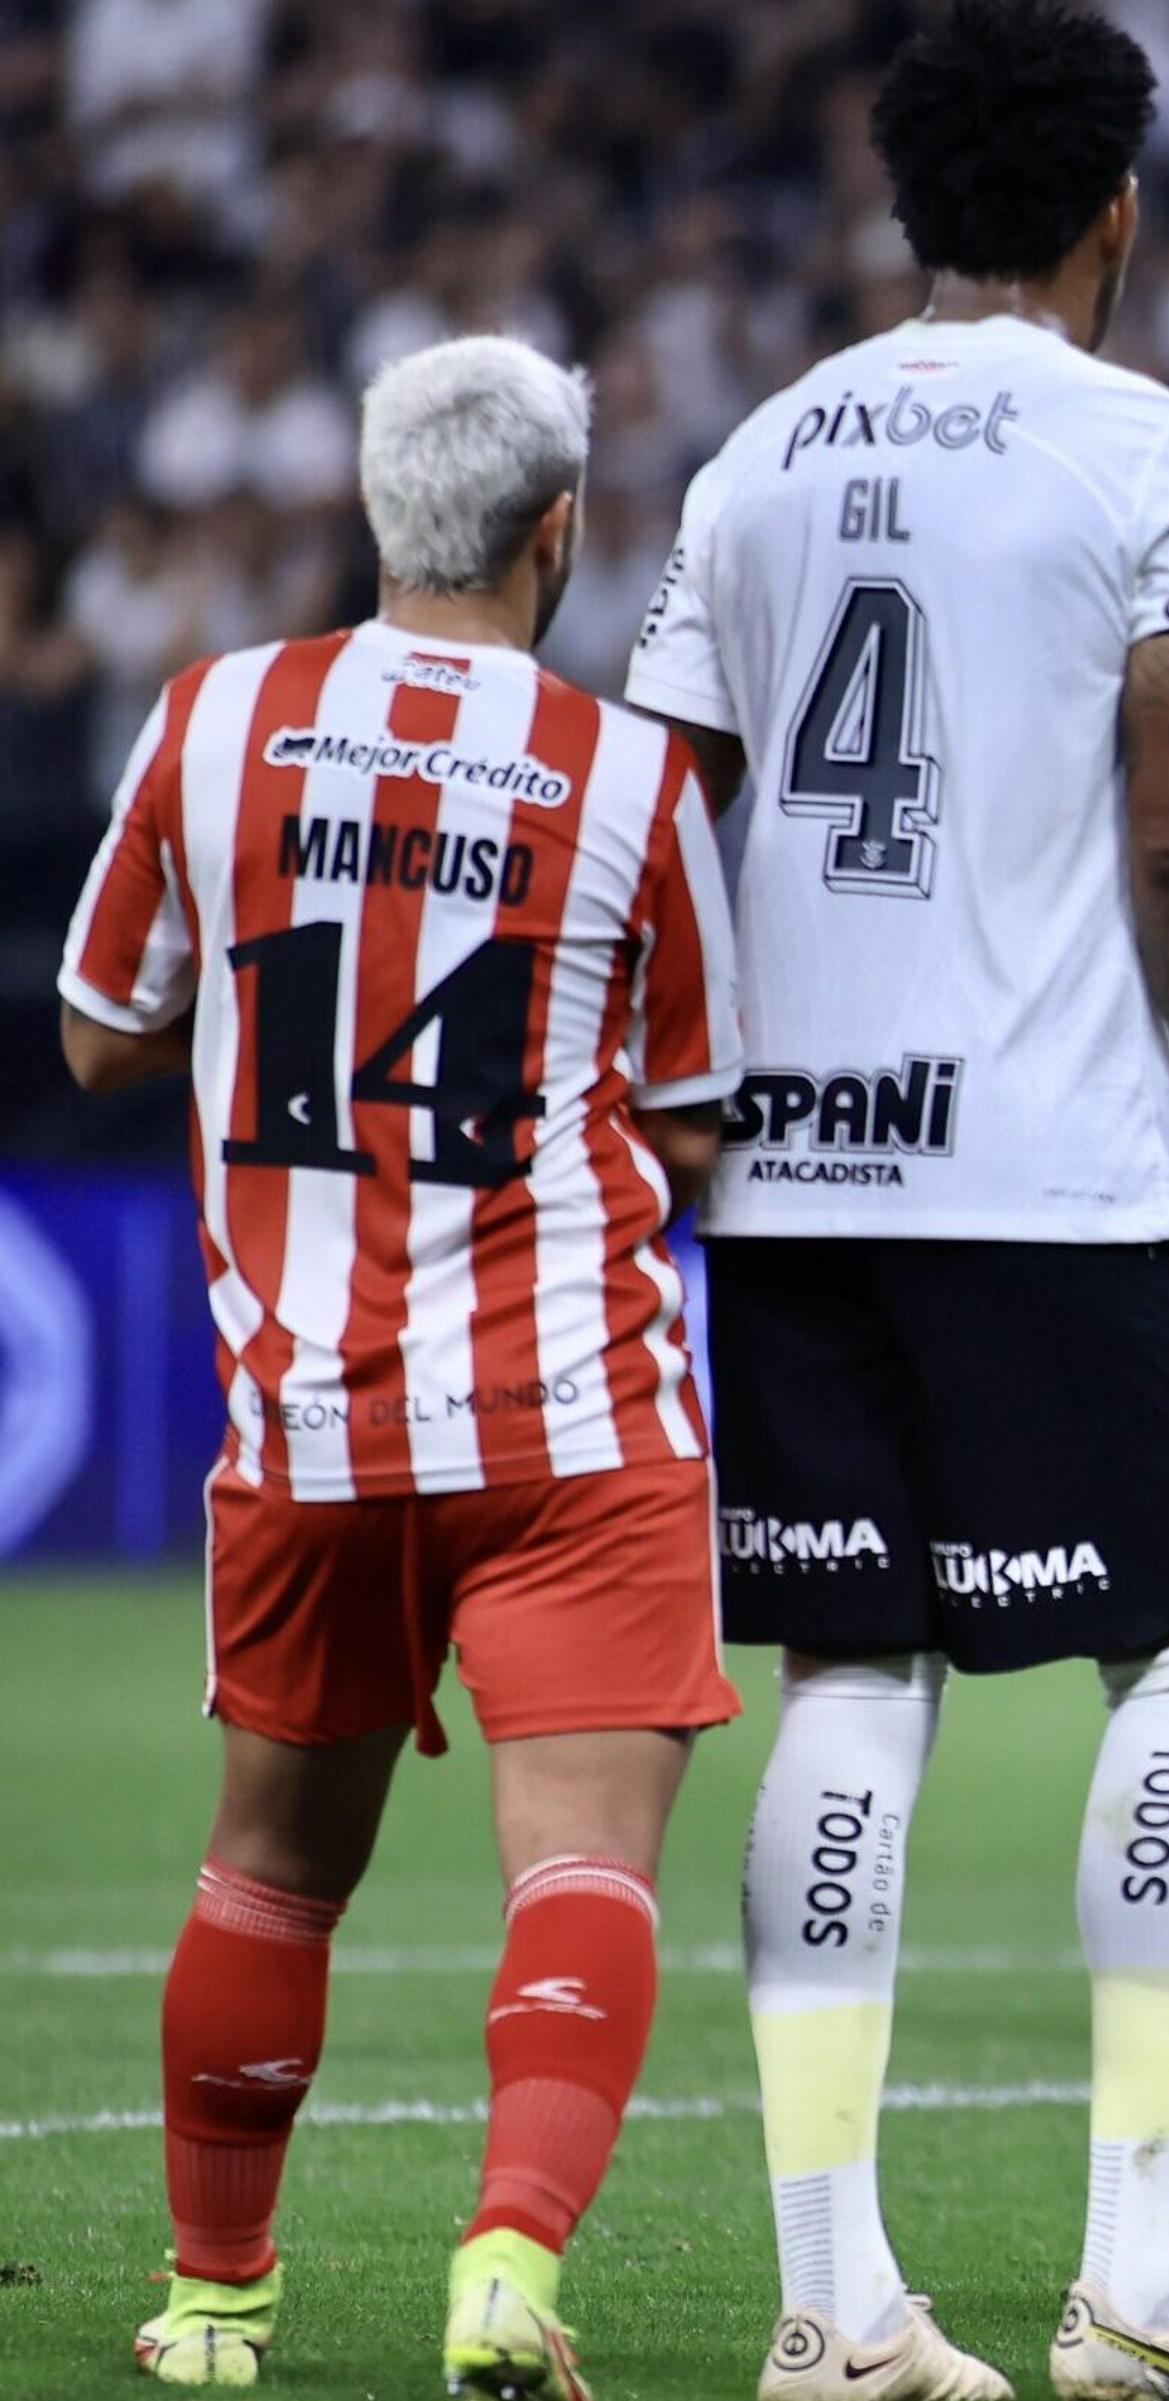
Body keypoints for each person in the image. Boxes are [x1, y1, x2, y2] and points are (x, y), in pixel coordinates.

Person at [619, 8, 1169, 2397]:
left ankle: (835, 2300)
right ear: (1116, 215)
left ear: (905, 205)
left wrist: (691, 1113)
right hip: (1055, 1170)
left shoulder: (757, 454)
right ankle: (1146, 2272)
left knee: (855, 1678)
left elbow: (666, 817)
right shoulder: (1162, 449)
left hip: (793, 1184)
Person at [68, 333, 741, 2400]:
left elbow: (102, 1026)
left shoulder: (213, 721)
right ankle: (507, 2263)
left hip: (307, 1417)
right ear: (564, 532)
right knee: (585, 1864)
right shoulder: (628, 771)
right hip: (570, 1403)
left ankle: (213, 2301)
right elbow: (699, 1113)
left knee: (269, 1860)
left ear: (370, 512)